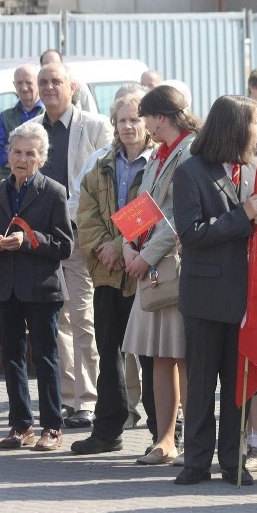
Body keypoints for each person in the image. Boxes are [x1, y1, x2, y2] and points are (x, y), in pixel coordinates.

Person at [172, 95, 257, 486]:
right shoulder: (191, 173)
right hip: (204, 298)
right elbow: (191, 234)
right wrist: (241, 216)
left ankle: (232, 460)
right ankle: (197, 461)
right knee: (201, 383)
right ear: (234, 128)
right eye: (254, 124)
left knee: (238, 386)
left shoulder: (248, 170)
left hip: (242, 298)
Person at [0, 122, 73, 451]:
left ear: (42, 158)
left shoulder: (54, 192)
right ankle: (20, 425)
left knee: (46, 357)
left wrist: (28, 240)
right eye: (17, 152)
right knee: (11, 358)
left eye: (30, 153)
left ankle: (52, 427)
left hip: (41, 288)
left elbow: (64, 245)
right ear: (7, 155)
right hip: (5, 287)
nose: (22, 159)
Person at [70, 93, 154, 455]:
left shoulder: (158, 163)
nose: (128, 126)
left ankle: (165, 431)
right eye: (121, 120)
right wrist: (104, 248)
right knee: (109, 353)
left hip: (145, 273)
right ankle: (108, 430)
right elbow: (83, 211)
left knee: (153, 358)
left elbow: (155, 209)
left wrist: (120, 244)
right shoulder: (101, 162)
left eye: (135, 119)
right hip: (106, 274)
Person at [31, 61, 114, 427]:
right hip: (40, 243)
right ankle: (66, 396)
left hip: (80, 238)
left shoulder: (95, 127)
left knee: (83, 318)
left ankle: (89, 399)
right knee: (55, 322)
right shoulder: (29, 130)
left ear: (73, 86)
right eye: (43, 82)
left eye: (56, 81)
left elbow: (109, 183)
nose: (49, 87)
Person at [122, 85, 200, 465]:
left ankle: (193, 440)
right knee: (157, 356)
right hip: (151, 270)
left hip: (174, 270)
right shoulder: (159, 155)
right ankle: (163, 439)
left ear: (160, 117)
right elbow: (143, 208)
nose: (143, 124)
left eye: (146, 116)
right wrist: (127, 244)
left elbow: (176, 216)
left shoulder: (191, 151)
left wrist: (146, 257)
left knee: (182, 356)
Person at [0, 64, 44, 181]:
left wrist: (13, 153)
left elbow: (53, 154)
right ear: (14, 85)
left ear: (38, 83)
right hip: (9, 185)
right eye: (19, 83)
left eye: (28, 82)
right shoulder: (5, 117)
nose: (24, 88)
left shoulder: (48, 115)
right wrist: (29, 160)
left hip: (40, 186)